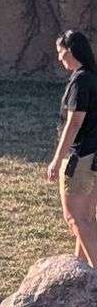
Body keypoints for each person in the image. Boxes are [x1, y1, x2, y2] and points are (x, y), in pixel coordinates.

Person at [47, 29, 97, 266]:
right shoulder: (93, 77)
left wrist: (57, 160)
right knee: (87, 217)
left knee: (74, 218)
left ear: (71, 51)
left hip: (80, 158)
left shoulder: (80, 81)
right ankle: (81, 273)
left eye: (60, 52)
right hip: (93, 156)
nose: (59, 58)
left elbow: (74, 122)